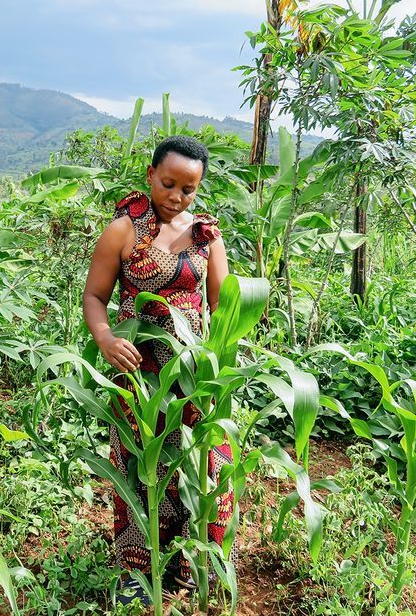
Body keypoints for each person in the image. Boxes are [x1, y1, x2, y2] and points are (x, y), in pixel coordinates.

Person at [82, 135, 232, 604]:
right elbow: (95, 296)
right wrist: (106, 339)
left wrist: (220, 360)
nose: (176, 197)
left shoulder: (206, 236)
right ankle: (137, 571)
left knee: (200, 465)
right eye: (168, 184)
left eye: (188, 189)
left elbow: (224, 307)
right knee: (139, 467)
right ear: (151, 175)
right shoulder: (124, 230)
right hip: (139, 376)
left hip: (193, 377)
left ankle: (194, 565)